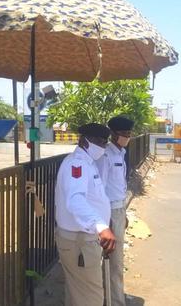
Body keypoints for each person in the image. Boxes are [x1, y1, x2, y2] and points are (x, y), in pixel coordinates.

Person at [55, 122, 115, 306]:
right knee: (91, 297)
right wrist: (101, 225)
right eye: (97, 141)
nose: (102, 146)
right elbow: (75, 200)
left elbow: (94, 198)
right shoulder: (77, 165)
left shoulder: (88, 163)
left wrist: (105, 220)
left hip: (83, 239)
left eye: (104, 142)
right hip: (79, 241)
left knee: (79, 293)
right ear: (83, 141)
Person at [95, 116, 134, 306]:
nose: (127, 137)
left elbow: (119, 186)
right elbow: (100, 188)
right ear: (113, 134)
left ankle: (114, 296)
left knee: (117, 261)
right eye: (124, 134)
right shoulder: (106, 156)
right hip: (109, 211)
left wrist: (123, 215)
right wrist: (105, 220)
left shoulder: (121, 153)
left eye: (129, 134)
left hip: (119, 209)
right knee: (114, 261)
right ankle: (114, 301)